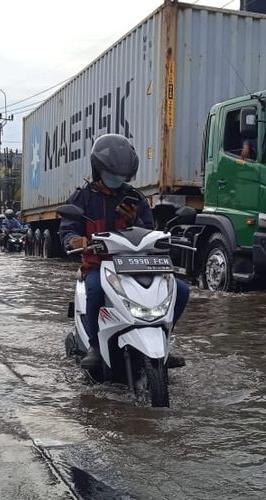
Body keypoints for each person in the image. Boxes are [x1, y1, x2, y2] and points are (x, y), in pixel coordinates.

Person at [59, 134, 189, 369]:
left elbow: (149, 231)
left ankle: (164, 341)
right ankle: (95, 346)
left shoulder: (135, 198)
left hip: (135, 265)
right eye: (112, 175)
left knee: (179, 290)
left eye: (121, 177)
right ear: (98, 170)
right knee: (96, 290)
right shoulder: (83, 198)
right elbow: (67, 230)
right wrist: (75, 240)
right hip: (99, 265)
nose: (117, 180)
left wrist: (134, 220)